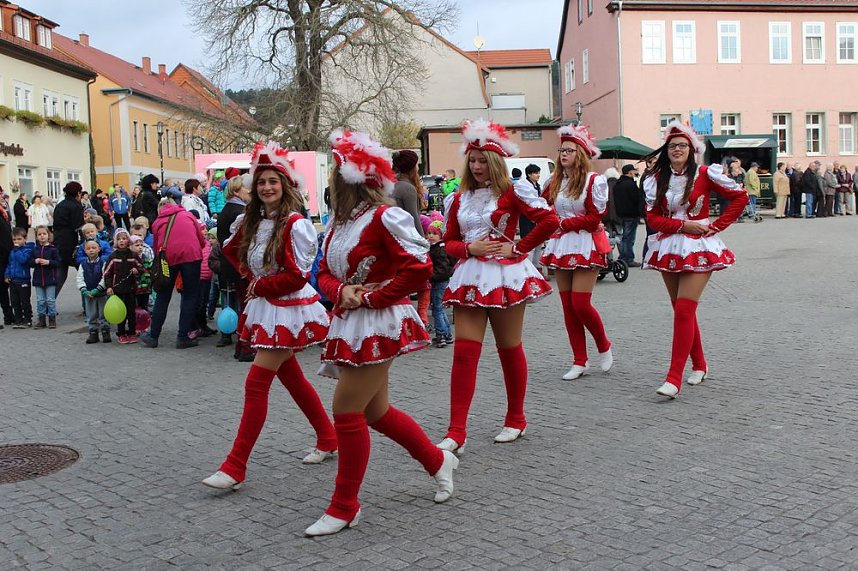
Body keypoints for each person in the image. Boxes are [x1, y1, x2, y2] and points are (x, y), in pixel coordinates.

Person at [305, 128, 457, 537]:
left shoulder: (384, 216)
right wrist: (341, 291)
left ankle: (344, 505)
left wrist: (373, 297)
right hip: (351, 320)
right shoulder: (338, 224)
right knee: (376, 412)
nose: (334, 182)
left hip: (380, 321)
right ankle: (438, 461)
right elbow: (320, 270)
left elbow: (419, 267)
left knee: (347, 411)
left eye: (337, 174)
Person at [202, 141, 337, 492]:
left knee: (256, 383)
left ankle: (235, 466)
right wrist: (251, 277)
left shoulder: (295, 223)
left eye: (273, 182)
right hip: (267, 304)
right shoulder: (256, 221)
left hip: (286, 307)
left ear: (286, 184)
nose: (266, 188)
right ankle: (327, 436)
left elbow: (297, 275)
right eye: (261, 182)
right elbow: (233, 251)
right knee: (291, 378)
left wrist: (260, 287)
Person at [437, 119, 558, 453]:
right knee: (463, 353)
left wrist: (519, 248)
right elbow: (448, 242)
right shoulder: (457, 199)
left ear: (495, 161)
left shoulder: (513, 190)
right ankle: (456, 431)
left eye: (482, 160)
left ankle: (516, 418)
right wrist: (468, 249)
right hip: (470, 276)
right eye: (472, 160)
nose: (476, 166)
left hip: (506, 276)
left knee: (508, 348)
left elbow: (550, 220)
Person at [642, 120, 748, 399]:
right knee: (680, 309)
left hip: (700, 244)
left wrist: (716, 225)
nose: (677, 150)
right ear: (666, 150)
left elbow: (739, 197)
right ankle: (699, 364)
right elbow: (652, 217)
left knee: (684, 310)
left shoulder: (705, 174)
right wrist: (680, 226)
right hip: (670, 244)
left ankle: (673, 378)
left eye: (682, 146)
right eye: (672, 146)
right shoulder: (656, 179)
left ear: (692, 149)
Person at [539, 124, 613, 381]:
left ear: (580, 153)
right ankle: (579, 359)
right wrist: (552, 221)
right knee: (567, 307)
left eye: (569, 150)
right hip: (561, 245)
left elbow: (595, 217)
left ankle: (603, 344)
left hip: (586, 243)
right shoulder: (554, 181)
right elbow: (542, 208)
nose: (564, 154)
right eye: (561, 150)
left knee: (581, 304)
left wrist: (562, 223)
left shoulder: (594, 181)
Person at [139, 188, 205, 349]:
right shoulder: (188, 215)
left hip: (167, 259)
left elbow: (156, 248)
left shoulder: (157, 222)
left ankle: (153, 336)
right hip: (191, 257)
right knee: (189, 295)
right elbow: (201, 240)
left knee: (163, 295)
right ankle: (183, 337)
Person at [216, 175, 252, 354]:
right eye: (246, 189)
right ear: (237, 190)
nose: (249, 192)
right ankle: (243, 341)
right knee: (243, 302)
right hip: (237, 263)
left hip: (227, 263)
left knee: (230, 300)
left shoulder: (227, 208)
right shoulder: (239, 211)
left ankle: (229, 335)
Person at [104, 228, 145, 344]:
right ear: (115, 241)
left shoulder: (133, 255)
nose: (122, 241)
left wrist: (137, 270)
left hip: (131, 288)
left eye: (124, 238)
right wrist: (109, 287)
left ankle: (132, 332)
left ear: (128, 240)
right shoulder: (113, 257)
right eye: (119, 239)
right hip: (118, 290)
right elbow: (107, 273)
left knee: (131, 312)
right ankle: (121, 333)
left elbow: (142, 268)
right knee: (120, 313)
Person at [52, 182, 86, 296]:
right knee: (85, 274)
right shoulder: (75, 206)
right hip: (71, 243)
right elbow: (79, 227)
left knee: (60, 273)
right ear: (78, 193)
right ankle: (89, 303)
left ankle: (49, 302)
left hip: (58, 241)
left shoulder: (60, 204)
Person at [426, 221, 454, 347]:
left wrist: (431, 276)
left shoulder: (439, 249)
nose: (430, 236)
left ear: (440, 235)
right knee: (440, 308)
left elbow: (442, 268)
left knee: (437, 309)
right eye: (428, 233)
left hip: (439, 281)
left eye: (434, 233)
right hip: (440, 281)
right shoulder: (436, 248)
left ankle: (440, 334)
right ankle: (447, 334)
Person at [77, 239, 111, 343]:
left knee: (103, 313)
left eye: (93, 248)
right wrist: (84, 290)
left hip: (101, 293)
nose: (91, 250)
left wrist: (98, 288)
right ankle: (93, 332)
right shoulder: (82, 264)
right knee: (91, 314)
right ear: (85, 250)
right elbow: (79, 278)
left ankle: (105, 331)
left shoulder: (103, 263)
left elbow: (105, 277)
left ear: (99, 249)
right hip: (89, 294)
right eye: (88, 248)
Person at [29, 226, 59, 329]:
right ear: (36, 237)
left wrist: (48, 262)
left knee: (50, 300)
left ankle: (52, 318)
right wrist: (35, 261)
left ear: (48, 235)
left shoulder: (53, 249)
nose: (42, 236)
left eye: (44, 234)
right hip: (38, 279)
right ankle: (41, 319)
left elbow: (58, 262)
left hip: (50, 278)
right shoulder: (34, 250)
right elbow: (29, 263)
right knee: (40, 300)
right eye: (39, 234)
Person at [5, 227, 33, 328]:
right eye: (14, 239)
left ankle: (27, 319)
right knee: (15, 302)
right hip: (13, 280)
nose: (16, 241)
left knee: (24, 301)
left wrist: (18, 250)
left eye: (19, 239)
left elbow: (23, 260)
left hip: (23, 279)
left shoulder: (27, 250)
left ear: (24, 239)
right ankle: (18, 320)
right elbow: (10, 264)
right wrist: (7, 275)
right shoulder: (12, 251)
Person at [614, 164, 641, 266]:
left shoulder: (618, 183)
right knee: (629, 238)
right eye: (634, 171)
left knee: (623, 237)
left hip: (620, 214)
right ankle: (628, 259)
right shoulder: (631, 184)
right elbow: (636, 198)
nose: (635, 172)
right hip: (631, 214)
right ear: (630, 172)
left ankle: (623, 257)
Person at [0, 199, 13, 327]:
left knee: (3, 288)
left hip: (5, 255)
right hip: (2, 255)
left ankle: (9, 316)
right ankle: (8, 315)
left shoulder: (2, 212)